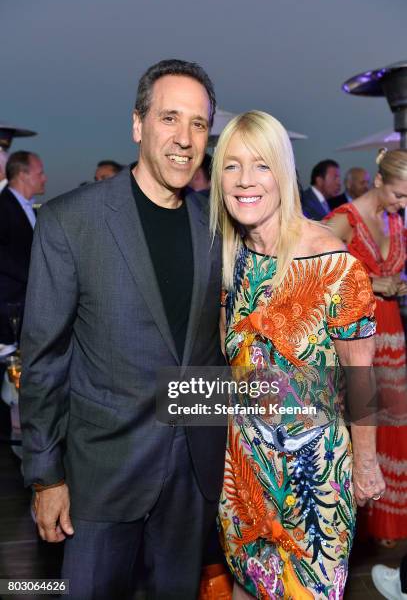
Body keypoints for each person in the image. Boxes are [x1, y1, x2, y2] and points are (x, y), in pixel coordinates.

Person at [19, 59, 226, 600]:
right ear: (138, 125)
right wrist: (46, 476)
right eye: (169, 118)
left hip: (192, 477)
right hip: (101, 476)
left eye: (199, 124)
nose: (184, 138)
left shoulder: (217, 226)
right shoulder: (71, 221)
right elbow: (43, 358)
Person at [209, 111, 384, 599]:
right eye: (232, 166)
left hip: (314, 486)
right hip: (243, 470)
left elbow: (362, 378)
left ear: (283, 172)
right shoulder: (231, 256)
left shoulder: (334, 265)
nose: (246, 181)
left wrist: (366, 464)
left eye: (261, 166)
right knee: (246, 585)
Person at [325, 148, 407, 546]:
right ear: (378, 181)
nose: (403, 204)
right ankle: (357, 522)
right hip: (359, 335)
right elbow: (319, 266)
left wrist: (396, 282)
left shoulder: (394, 218)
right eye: (399, 195)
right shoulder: (343, 220)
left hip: (392, 334)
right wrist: (373, 284)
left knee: (394, 425)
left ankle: (388, 525)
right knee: (364, 421)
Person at [0, 151, 46, 344]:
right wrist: (38, 277)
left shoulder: (31, 209)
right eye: (40, 173)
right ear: (23, 175)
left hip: (26, 308)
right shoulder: (3, 206)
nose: (45, 178)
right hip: (8, 312)